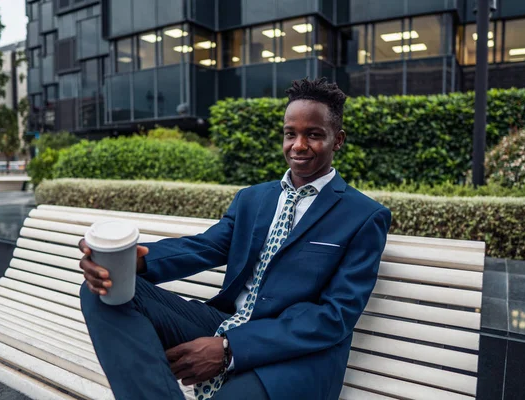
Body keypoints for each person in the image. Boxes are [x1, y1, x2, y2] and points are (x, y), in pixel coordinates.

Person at [79, 78, 392, 400]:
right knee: (105, 290)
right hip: (225, 322)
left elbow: (334, 315)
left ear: (337, 140)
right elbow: (206, 246)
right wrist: (132, 261)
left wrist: (231, 349)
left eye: (313, 134)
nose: (298, 145)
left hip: (295, 355)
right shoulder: (252, 199)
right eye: (290, 134)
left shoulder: (363, 216)